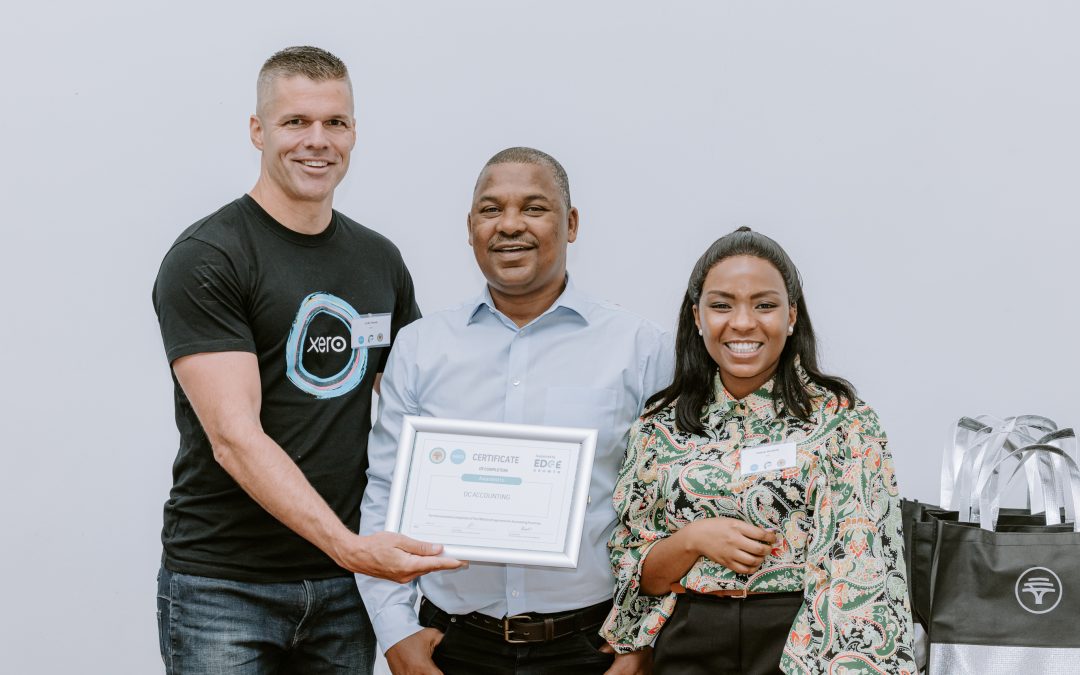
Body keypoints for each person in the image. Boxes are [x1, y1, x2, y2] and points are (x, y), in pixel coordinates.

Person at [152, 46, 462, 674]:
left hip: (344, 592)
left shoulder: (378, 259)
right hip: (224, 586)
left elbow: (420, 410)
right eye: (296, 122)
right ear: (257, 130)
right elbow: (235, 439)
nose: (317, 141)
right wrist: (351, 549)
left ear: (354, 132)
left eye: (336, 123)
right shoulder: (209, 257)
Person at [356, 147, 674, 675]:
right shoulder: (420, 348)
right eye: (490, 209)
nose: (509, 226)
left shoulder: (641, 350)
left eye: (533, 208)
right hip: (452, 646)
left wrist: (643, 640)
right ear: (469, 226)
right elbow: (385, 496)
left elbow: (670, 509)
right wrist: (395, 634)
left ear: (570, 224)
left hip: (593, 648)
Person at [601, 227, 916, 675]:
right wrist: (693, 539)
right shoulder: (659, 424)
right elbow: (636, 571)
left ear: (791, 317)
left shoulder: (842, 420)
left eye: (764, 305)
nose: (743, 322)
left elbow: (866, 570)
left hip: (802, 641)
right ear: (697, 317)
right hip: (688, 638)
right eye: (722, 304)